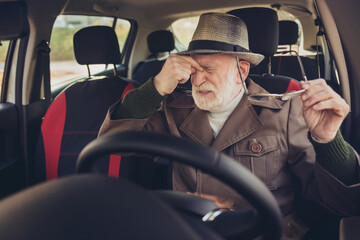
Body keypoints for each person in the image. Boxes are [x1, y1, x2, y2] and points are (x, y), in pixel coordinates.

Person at [99, 12, 360, 239]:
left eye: (209, 68)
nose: (198, 79)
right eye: (193, 69)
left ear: (242, 71)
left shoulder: (286, 111)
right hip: (191, 231)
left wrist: (329, 140)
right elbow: (114, 141)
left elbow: (342, 203)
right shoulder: (175, 109)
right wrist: (154, 88)